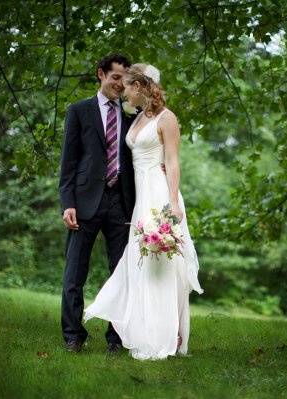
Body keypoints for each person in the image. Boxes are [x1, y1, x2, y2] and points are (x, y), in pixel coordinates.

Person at [83, 63, 204, 360]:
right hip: (140, 199)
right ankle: (145, 331)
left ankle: (167, 335)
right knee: (141, 263)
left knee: (161, 264)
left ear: (139, 87)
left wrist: (173, 202)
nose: (122, 92)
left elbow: (173, 162)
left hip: (160, 195)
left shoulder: (167, 118)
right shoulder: (135, 118)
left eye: (126, 87)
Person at [58, 54, 136, 354]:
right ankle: (73, 336)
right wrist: (68, 203)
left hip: (122, 205)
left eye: (125, 79)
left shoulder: (131, 116)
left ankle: (116, 339)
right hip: (84, 203)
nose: (120, 84)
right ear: (101, 74)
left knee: (122, 275)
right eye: (116, 77)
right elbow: (69, 162)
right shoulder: (79, 111)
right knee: (75, 273)